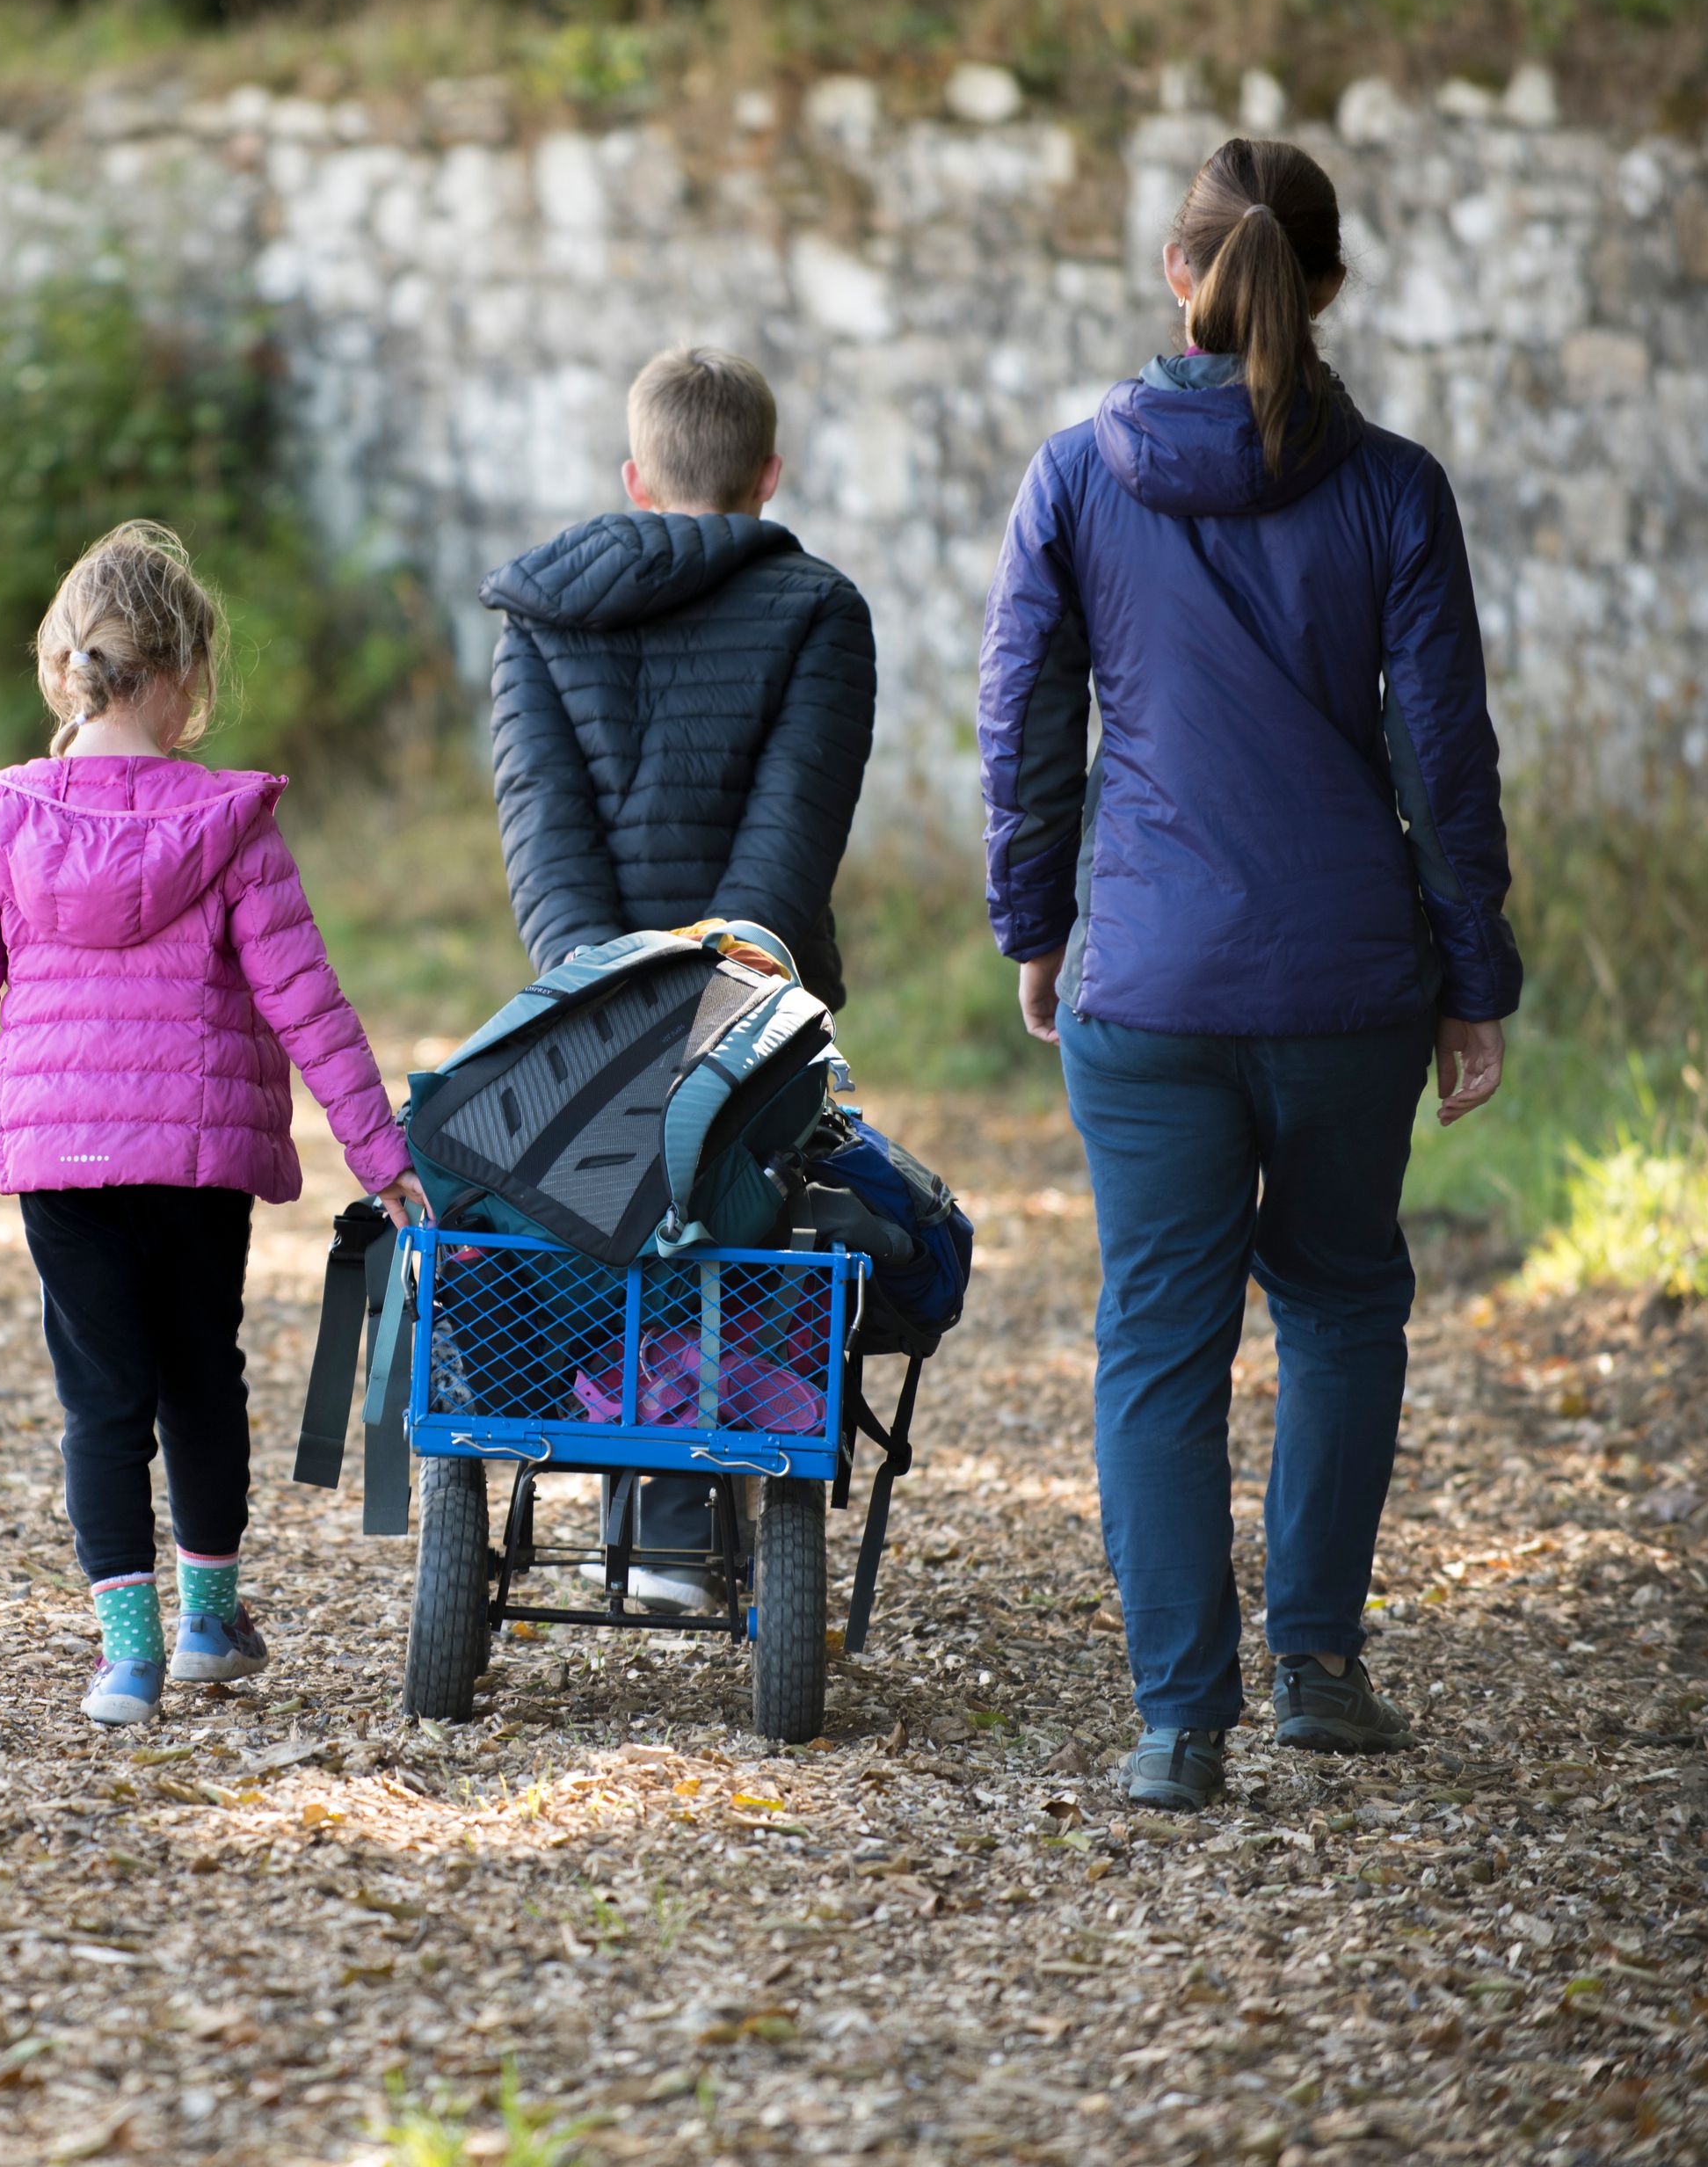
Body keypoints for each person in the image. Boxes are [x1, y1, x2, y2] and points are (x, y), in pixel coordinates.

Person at [977, 137, 1518, 1813]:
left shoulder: (1075, 476)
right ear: (1329, 282)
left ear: (1177, 274)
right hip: (1352, 979)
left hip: (1145, 982)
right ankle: (1321, 1672)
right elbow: (1445, 751)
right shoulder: (1393, 488)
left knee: (1157, 1336)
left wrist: (1038, 927)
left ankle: (1176, 1725)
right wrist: (1473, 969)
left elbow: (1019, 726)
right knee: (1346, 1299)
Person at [0, 520, 427, 1727]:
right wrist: (383, 1154)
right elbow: (311, 1003)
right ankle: (210, 1624)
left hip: (62, 1160)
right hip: (196, 1160)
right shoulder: (230, 825)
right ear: (192, 673)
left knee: (101, 1400)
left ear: (63, 669)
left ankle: (125, 1659)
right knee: (200, 1378)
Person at [483, 345, 878, 1611]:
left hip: (588, 996)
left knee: (589, 1193)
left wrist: (603, 986)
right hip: (757, 999)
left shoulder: (538, 613)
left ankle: (631, 1474)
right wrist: (737, 976)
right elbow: (793, 823)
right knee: (760, 1211)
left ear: (634, 480)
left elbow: (542, 826)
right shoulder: (821, 611)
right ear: (769, 475)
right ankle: (691, 1490)